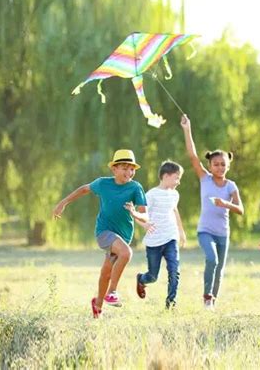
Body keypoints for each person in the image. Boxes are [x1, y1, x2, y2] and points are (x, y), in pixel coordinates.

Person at [52, 149, 149, 318]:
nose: (129, 172)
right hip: (104, 232)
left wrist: (135, 213)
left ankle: (97, 306)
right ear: (114, 169)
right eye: (125, 168)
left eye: (132, 169)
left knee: (106, 273)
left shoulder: (135, 187)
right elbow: (84, 189)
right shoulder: (103, 184)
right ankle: (112, 292)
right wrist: (63, 203)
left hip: (123, 236)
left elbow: (144, 213)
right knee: (126, 253)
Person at [180, 114, 244, 310]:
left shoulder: (231, 186)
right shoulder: (204, 179)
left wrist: (226, 204)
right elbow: (192, 155)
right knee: (212, 259)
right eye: (216, 164)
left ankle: (211, 301)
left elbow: (240, 209)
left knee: (220, 269)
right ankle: (207, 295)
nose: (219, 167)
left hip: (223, 233)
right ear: (209, 166)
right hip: (205, 231)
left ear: (228, 165)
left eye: (223, 164)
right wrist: (187, 129)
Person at [131, 160, 187, 310]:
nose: (179, 182)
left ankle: (171, 304)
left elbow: (175, 211)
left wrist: (181, 232)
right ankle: (141, 279)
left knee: (174, 271)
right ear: (166, 176)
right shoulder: (151, 195)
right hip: (154, 241)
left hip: (171, 237)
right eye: (177, 177)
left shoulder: (175, 194)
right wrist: (145, 225)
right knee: (153, 276)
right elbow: (138, 215)